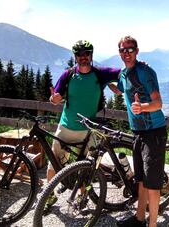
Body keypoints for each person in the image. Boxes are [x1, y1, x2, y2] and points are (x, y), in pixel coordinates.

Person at [46, 40, 120, 209]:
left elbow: (121, 72)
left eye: (86, 53)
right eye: (79, 54)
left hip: (88, 130)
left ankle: (82, 197)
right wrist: (54, 99)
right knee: (54, 161)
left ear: (91, 55)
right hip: (66, 126)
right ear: (75, 57)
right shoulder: (68, 75)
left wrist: (138, 65)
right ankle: (49, 196)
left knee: (86, 166)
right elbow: (54, 98)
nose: (83, 57)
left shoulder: (100, 74)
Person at [114, 36, 167, 227]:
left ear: (137, 51)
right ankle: (139, 219)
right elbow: (119, 90)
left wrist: (141, 108)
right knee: (141, 179)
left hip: (154, 132)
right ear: (119, 52)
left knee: (153, 185)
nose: (126, 53)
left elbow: (158, 103)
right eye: (122, 50)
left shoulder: (145, 72)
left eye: (130, 50)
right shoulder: (123, 73)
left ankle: (152, 225)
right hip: (138, 132)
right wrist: (101, 81)